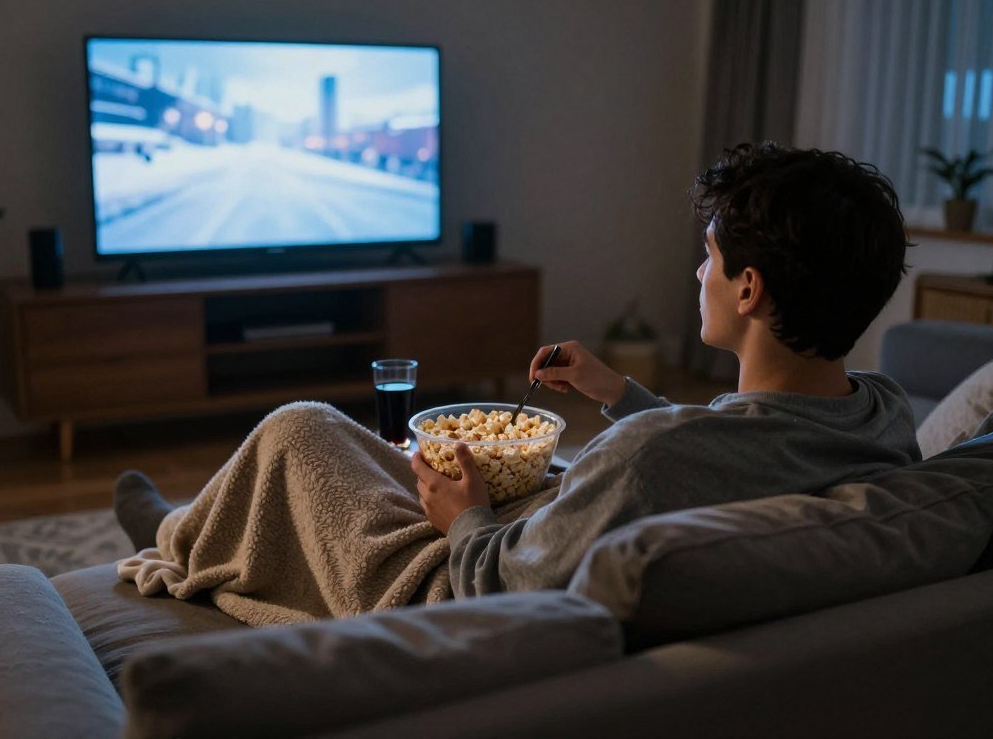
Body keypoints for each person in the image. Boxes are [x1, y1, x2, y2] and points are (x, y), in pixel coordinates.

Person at [115, 141, 919, 624]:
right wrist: (618, 394)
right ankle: (190, 522)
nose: (697, 272)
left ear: (748, 290)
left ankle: (176, 536)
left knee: (304, 429)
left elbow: (501, 585)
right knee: (391, 462)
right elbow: (735, 450)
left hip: (462, 585)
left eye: (710, 258)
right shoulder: (882, 413)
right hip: (555, 530)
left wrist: (466, 520)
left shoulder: (648, 457)